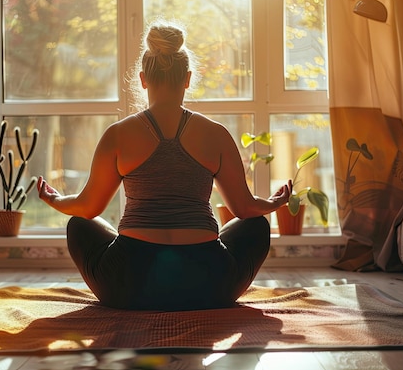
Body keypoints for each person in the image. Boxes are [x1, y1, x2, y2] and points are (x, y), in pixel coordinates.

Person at [37, 20, 291, 311]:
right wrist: (273, 203)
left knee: (79, 224)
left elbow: (87, 208)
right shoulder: (215, 133)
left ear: (144, 79)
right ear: (187, 78)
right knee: (256, 226)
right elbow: (245, 209)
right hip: (209, 285)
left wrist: (54, 199)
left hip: (129, 286)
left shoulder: (118, 134)